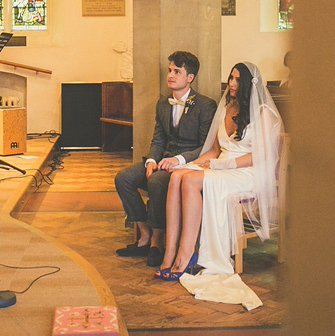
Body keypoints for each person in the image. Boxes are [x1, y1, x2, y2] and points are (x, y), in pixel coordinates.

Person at [155, 62, 283, 309]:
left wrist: (225, 166)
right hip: (221, 164)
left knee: (191, 180)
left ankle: (187, 252)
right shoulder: (227, 106)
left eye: (236, 80)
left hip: (247, 172)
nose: (231, 84)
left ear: (248, 84)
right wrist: (191, 164)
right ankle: (169, 252)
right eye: (230, 78)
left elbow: (262, 155)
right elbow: (214, 150)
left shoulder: (264, 113)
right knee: (178, 176)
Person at [114, 51, 217, 267]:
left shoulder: (205, 105)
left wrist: (179, 160)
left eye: (177, 71)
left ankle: (157, 241)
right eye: (170, 70)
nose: (170, 75)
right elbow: (158, 138)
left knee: (156, 181)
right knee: (124, 178)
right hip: (161, 162)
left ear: (190, 77)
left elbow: (206, 147)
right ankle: (144, 235)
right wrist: (152, 159)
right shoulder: (163, 104)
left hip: (187, 166)